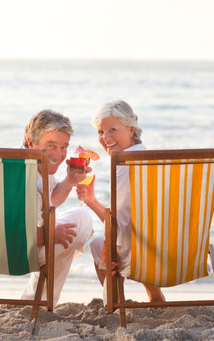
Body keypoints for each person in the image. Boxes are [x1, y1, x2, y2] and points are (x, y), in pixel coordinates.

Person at [76, 100, 165, 303]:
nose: (105, 138)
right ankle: (155, 296)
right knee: (141, 234)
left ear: (131, 130)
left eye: (112, 129)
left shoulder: (125, 164)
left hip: (143, 255)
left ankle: (115, 301)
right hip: (175, 251)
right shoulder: (151, 158)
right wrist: (90, 200)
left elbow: (120, 222)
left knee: (99, 244)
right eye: (100, 132)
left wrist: (108, 243)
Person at [20, 109, 94, 306]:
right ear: (31, 142)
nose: (59, 155)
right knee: (82, 221)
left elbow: (50, 200)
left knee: (73, 227)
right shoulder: (27, 176)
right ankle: (39, 300)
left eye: (63, 147)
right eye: (51, 146)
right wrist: (52, 235)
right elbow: (34, 237)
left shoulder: (22, 162)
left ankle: (35, 299)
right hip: (18, 253)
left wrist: (69, 180)